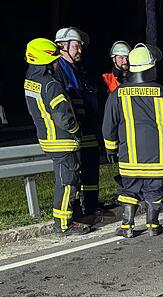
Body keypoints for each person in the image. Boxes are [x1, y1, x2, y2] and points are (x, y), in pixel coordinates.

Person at [102, 43, 163, 237]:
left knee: (129, 190)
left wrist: (111, 149)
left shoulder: (118, 94)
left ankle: (127, 227)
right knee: (154, 191)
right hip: (159, 159)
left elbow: (108, 125)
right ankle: (153, 225)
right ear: (151, 68)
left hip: (129, 158)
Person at [23, 38, 90, 236]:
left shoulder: (31, 81)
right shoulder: (50, 84)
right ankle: (63, 225)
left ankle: (71, 216)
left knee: (66, 181)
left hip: (48, 138)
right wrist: (76, 128)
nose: (56, 63)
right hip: (62, 140)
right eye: (54, 59)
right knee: (67, 181)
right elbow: (63, 117)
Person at [53, 27, 110, 218]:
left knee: (91, 166)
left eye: (80, 46)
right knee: (75, 172)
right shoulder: (59, 70)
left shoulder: (78, 69)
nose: (80, 50)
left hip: (87, 127)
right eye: (76, 46)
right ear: (63, 46)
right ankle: (76, 211)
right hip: (74, 129)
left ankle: (91, 205)